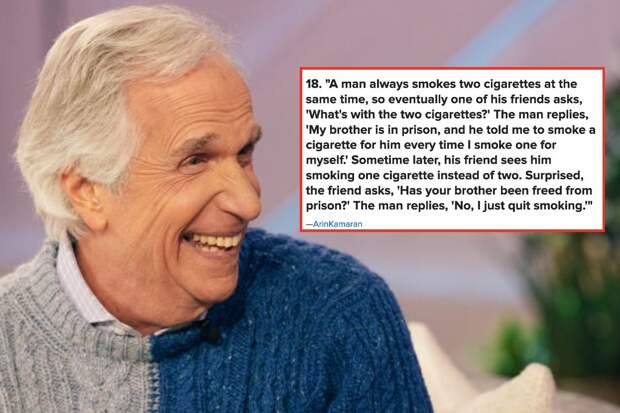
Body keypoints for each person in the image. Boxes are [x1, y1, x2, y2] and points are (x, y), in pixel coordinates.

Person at [0, 5, 433, 412]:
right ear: (87, 192)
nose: (249, 202)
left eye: (244, 154)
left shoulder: (340, 313)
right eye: (195, 161)